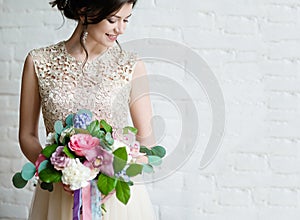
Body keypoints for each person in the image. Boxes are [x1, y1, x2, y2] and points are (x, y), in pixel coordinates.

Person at [18, 0, 156, 219]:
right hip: (60, 194)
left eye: (126, 20)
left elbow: (148, 142)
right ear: (84, 11)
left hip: (114, 195)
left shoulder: (131, 65)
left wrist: (114, 175)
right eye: (113, 20)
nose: (121, 29)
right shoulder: (38, 61)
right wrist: (58, 169)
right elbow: (27, 135)